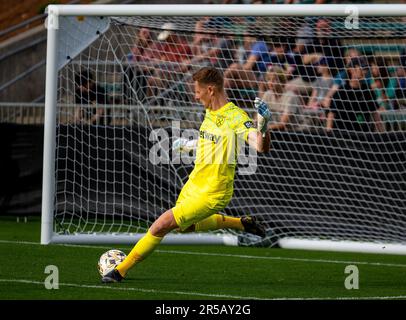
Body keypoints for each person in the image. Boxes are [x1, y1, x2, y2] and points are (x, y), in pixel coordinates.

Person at [101, 66, 272, 283]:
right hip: (195, 183)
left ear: (210, 90)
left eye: (198, 91)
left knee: (161, 225)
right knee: (187, 227)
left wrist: (264, 125)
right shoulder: (210, 111)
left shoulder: (236, 117)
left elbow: (260, 147)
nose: (195, 95)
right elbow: (209, 142)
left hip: (213, 192)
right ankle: (240, 223)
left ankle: (119, 271)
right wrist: (187, 145)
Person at [326, 57, 385, 133]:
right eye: (361, 68)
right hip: (343, 135)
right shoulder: (342, 91)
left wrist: (383, 133)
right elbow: (331, 114)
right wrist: (328, 132)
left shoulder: (367, 90)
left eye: (365, 69)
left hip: (363, 135)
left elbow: (375, 114)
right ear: (351, 70)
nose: (364, 72)